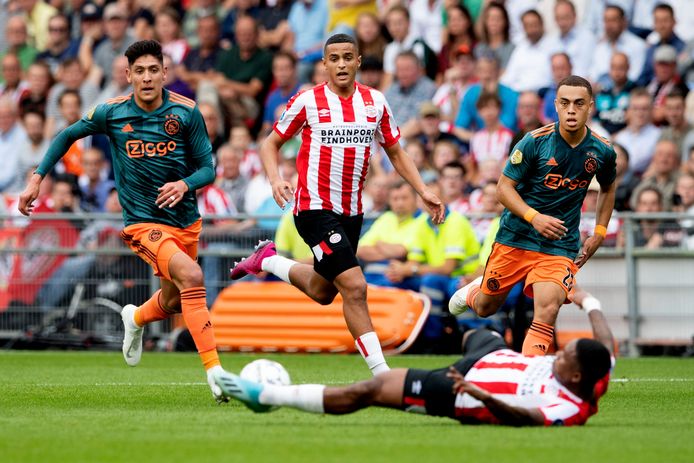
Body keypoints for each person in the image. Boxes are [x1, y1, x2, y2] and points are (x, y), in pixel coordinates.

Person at [17, 40, 228, 403]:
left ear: (165, 73)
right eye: (139, 71)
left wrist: (184, 184)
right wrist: (37, 178)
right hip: (142, 222)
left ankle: (136, 318)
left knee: (174, 300)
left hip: (185, 222)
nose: (147, 78)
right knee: (192, 276)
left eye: (153, 70)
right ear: (128, 75)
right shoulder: (111, 112)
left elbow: (208, 169)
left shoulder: (187, 112)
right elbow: (67, 134)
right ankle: (217, 374)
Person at [230, 34, 444, 376]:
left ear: (358, 61)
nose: (341, 64)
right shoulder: (307, 101)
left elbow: (395, 151)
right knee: (355, 287)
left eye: (347, 57)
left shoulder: (375, 102)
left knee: (323, 291)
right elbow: (270, 144)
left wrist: (423, 189)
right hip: (314, 209)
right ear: (325, 64)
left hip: (352, 213)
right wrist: (275, 179)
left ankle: (267, 260)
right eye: (334, 58)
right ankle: (382, 375)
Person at [212, 293, 615, 427]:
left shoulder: (568, 409)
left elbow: (524, 419)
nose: (557, 354)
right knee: (475, 328)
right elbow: (607, 342)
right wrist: (589, 302)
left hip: (459, 390)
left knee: (371, 390)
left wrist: (482, 396)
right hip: (493, 356)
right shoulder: (598, 371)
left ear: (576, 377)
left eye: (564, 357)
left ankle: (266, 396)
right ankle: (466, 298)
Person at [448, 76, 617, 357]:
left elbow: (608, 188)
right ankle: (473, 292)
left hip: (559, 245)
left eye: (579, 103)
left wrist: (599, 232)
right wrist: (534, 217)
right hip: (516, 237)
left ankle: (529, 375)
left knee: (547, 310)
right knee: (486, 307)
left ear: (590, 107)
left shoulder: (602, 150)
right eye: (565, 103)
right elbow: (503, 189)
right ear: (556, 105)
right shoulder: (534, 142)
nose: (571, 110)